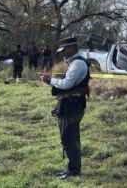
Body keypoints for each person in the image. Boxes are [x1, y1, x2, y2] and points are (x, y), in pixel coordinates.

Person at [39, 37, 90, 179]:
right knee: (70, 137)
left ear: (72, 48)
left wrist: (48, 80)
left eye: (65, 50)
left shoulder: (77, 64)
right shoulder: (73, 63)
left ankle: (74, 171)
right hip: (69, 105)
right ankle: (73, 168)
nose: (63, 53)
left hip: (73, 106)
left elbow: (67, 84)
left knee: (69, 138)